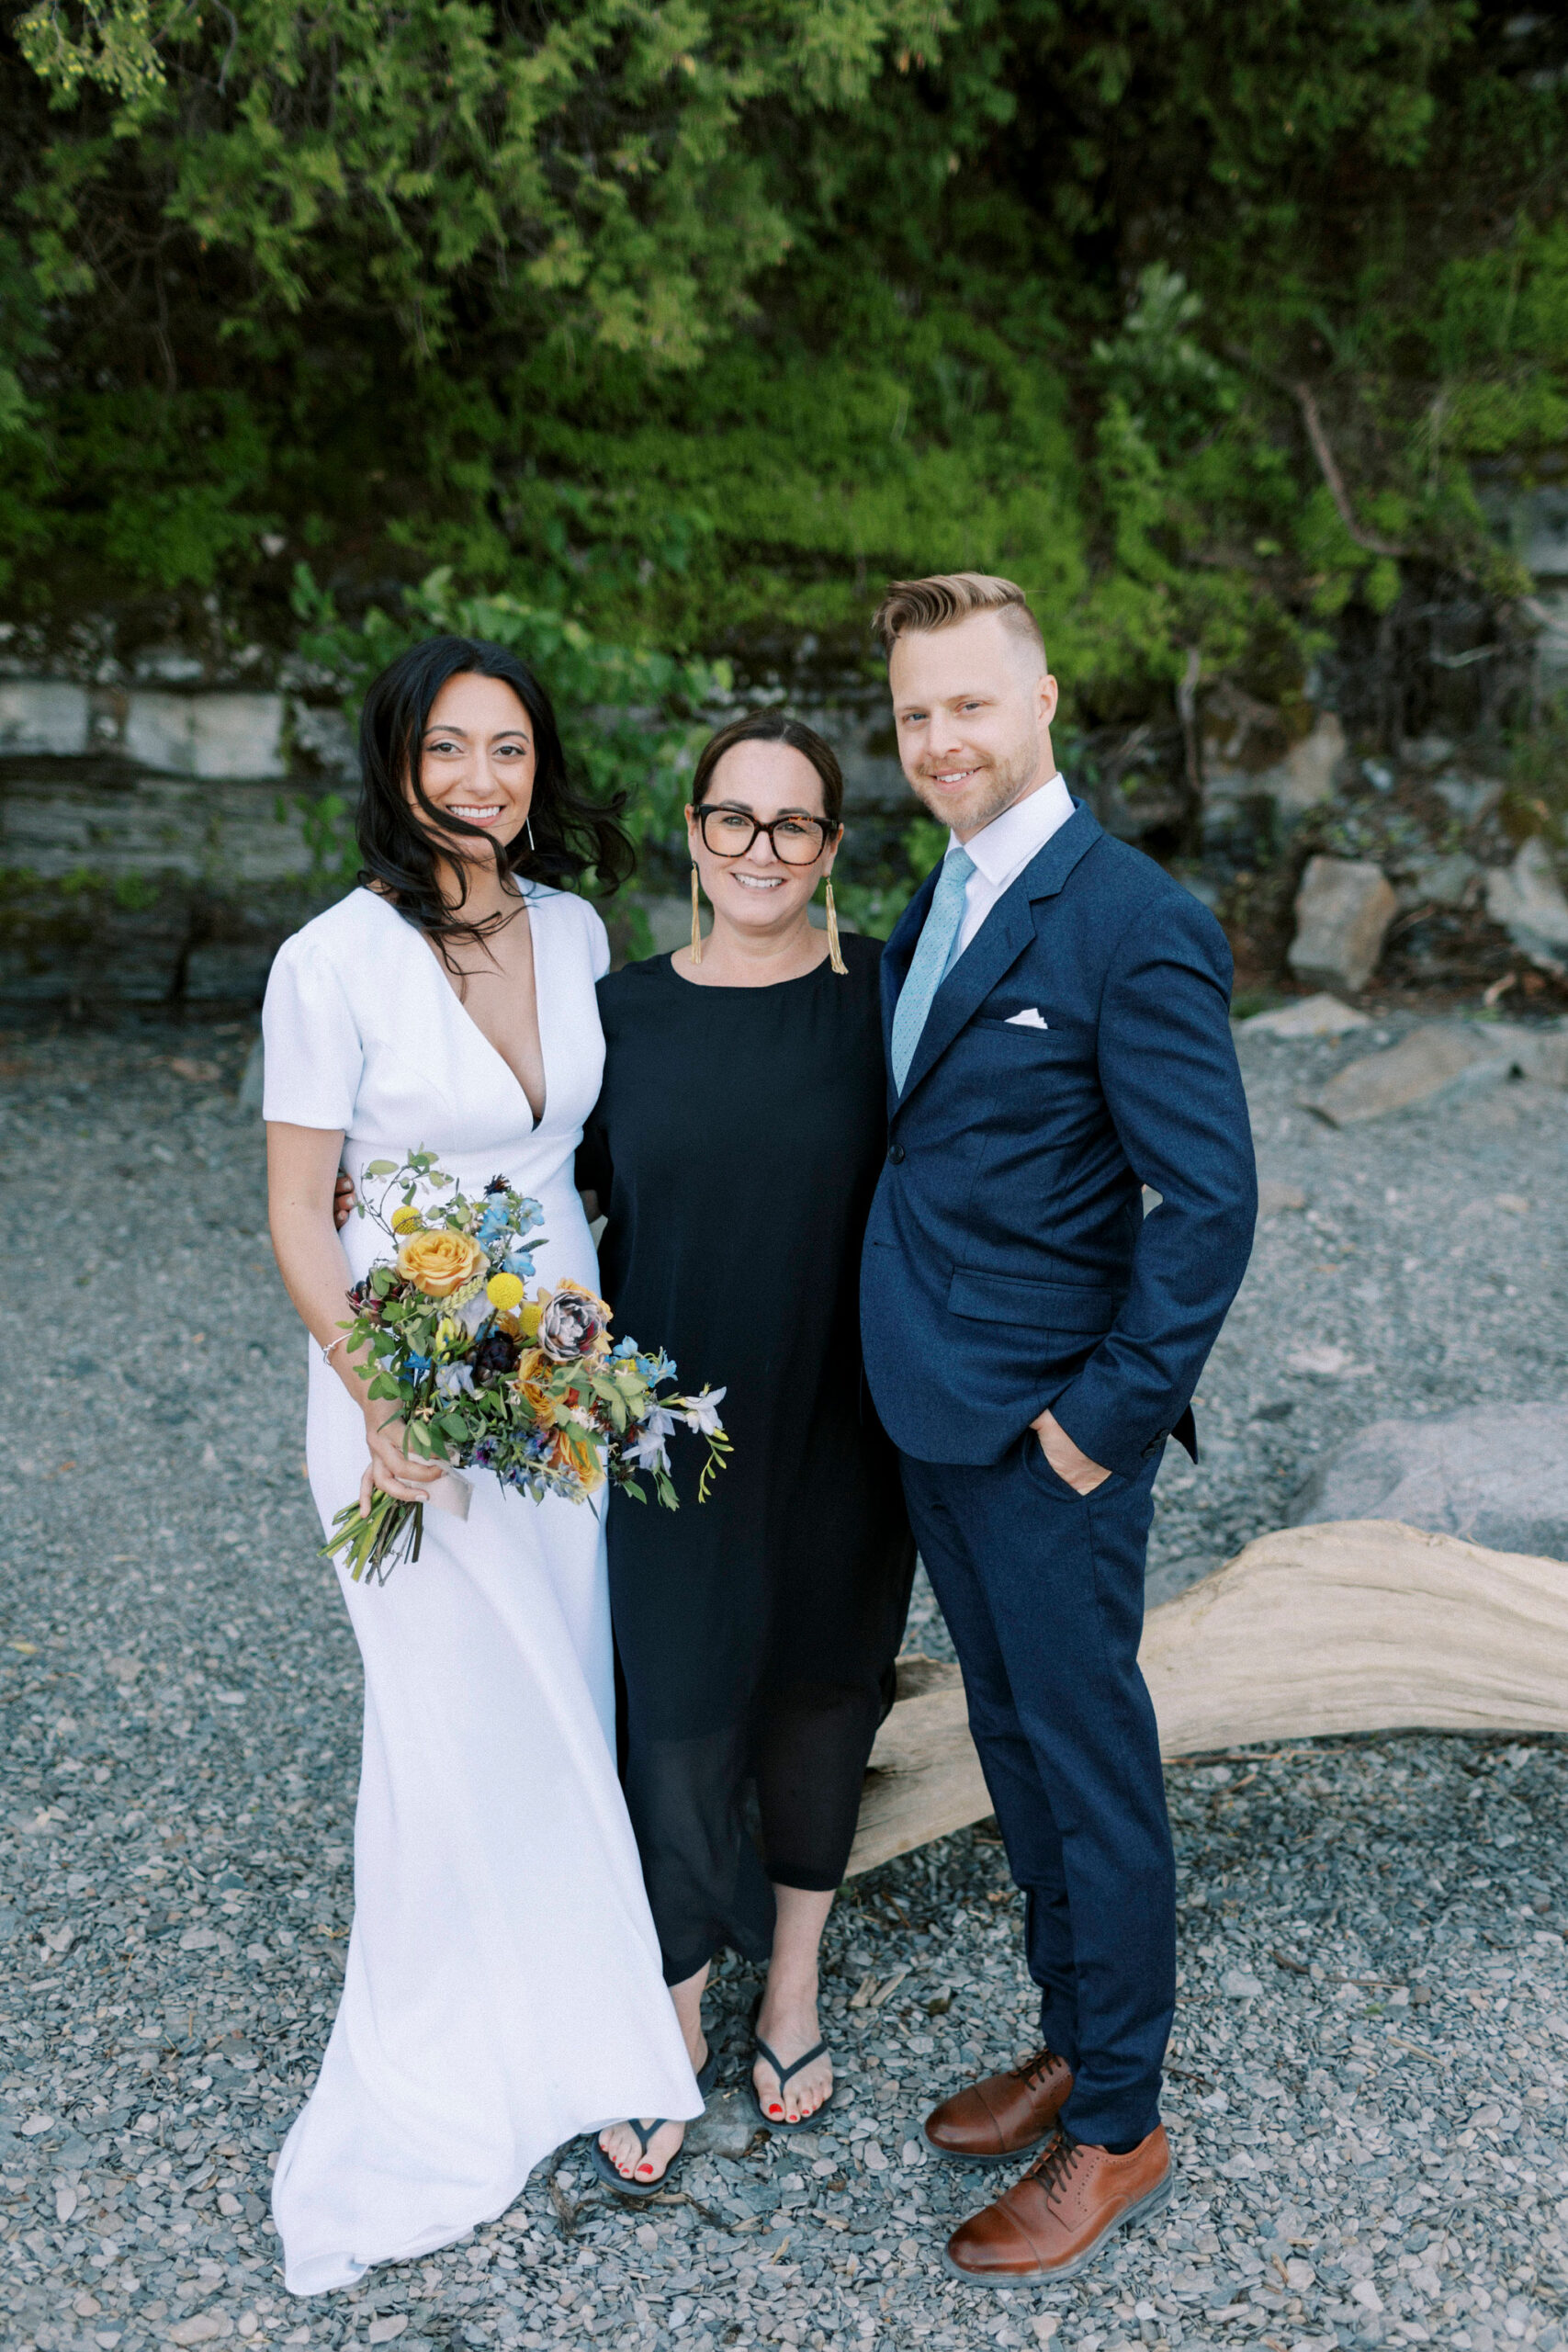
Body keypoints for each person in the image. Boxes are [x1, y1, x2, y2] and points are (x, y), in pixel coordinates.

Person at [262, 635, 700, 2296]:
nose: (481, 782)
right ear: (397, 764)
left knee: (571, 1685)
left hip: (559, 1364)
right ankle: (457, 2053)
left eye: (509, 751)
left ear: (537, 770)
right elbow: (299, 1217)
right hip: (402, 1373)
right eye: (451, 750)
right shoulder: (332, 960)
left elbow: (598, 1148)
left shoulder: (578, 929)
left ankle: (594, 2028)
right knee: (450, 1708)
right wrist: (377, 1388)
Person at [859, 574, 1257, 2284]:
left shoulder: (1131, 918)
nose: (940, 739)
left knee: (1089, 1768)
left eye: (968, 704)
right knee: (1011, 1749)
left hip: (1045, 1441)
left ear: (1038, 703)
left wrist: (1096, 1430)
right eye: (913, 715)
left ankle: (1123, 2128)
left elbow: (1210, 1206)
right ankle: (1074, 2041)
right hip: (927, 1420)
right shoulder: (935, 901)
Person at [576, 710, 916, 2192]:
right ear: (694, 834)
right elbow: (541, 1189)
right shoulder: (620, 1012)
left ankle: (790, 1986)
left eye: (794, 826)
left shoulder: (886, 1003)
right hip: (669, 1419)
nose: (762, 850)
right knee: (678, 1705)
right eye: (735, 819)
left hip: (847, 1407)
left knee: (822, 1689)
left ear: (831, 850)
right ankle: (673, 2009)